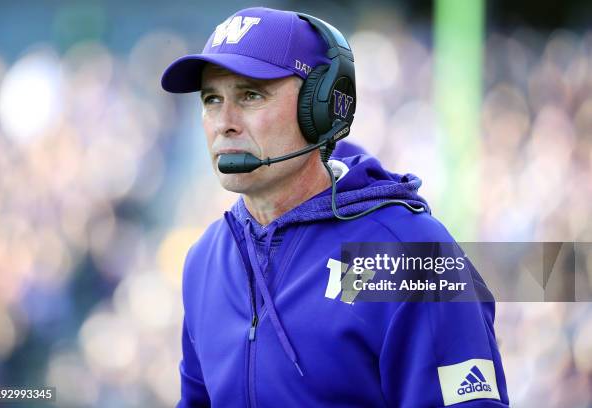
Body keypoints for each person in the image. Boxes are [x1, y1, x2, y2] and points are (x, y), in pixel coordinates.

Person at [162, 7, 510, 407]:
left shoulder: (411, 254)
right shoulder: (204, 259)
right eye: (211, 99)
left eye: (251, 95)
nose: (224, 122)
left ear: (322, 107)